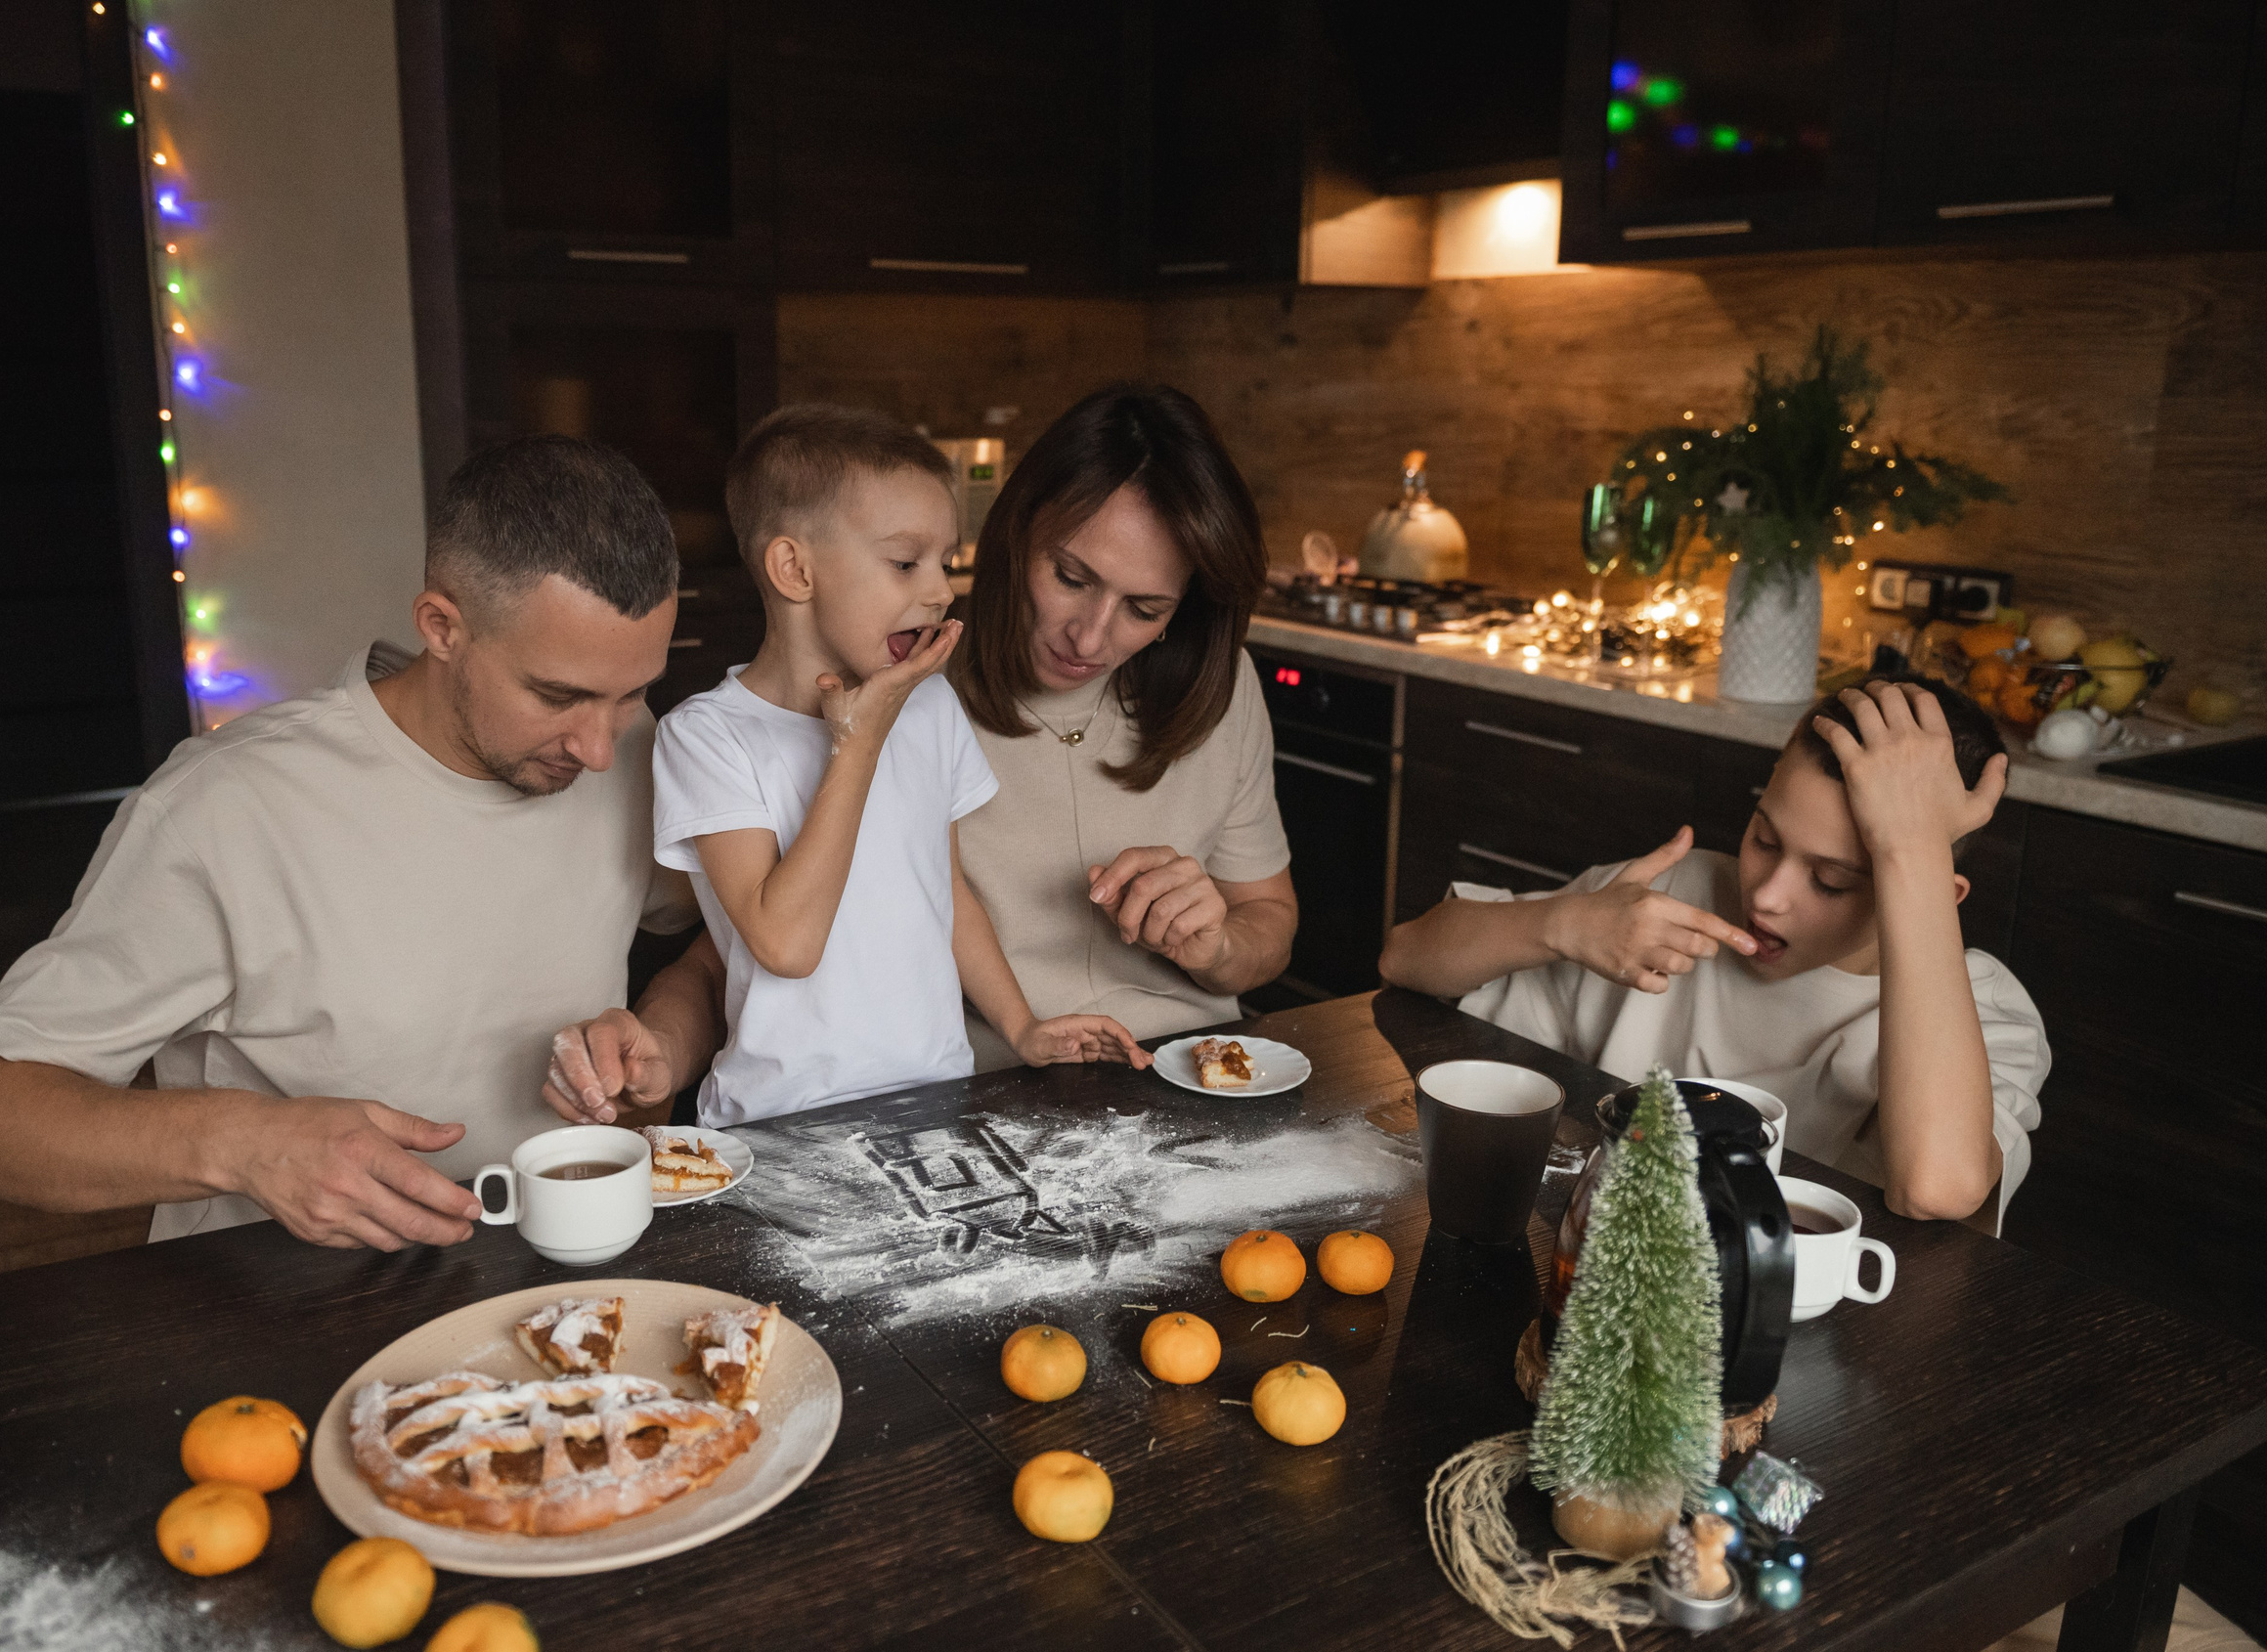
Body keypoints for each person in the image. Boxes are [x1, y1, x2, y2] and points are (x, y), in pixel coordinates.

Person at [0, 436, 725, 1251]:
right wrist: (248, 1143)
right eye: (559, 695)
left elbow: (718, 944)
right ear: (441, 626)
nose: (596, 748)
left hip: (556, 1266)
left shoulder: (627, 750)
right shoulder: (225, 808)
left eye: (632, 693)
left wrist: (661, 1038)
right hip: (291, 1301)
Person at [1379, 677, 2049, 1227]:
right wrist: (1560, 922)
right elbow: (1405, 957)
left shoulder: (1986, 1014)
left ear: (1933, 891)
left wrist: (1911, 851)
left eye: (1831, 880)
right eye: (1763, 837)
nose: (1770, 895)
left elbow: (1937, 1186)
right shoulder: (1675, 889)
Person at [647, 404, 1148, 1129]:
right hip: (781, 1122)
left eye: (944, 563)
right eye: (905, 562)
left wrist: (1022, 1027)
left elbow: (946, 895)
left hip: (936, 1102)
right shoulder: (704, 737)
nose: (941, 590)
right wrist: (857, 747)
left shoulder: (930, 708)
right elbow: (786, 943)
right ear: (794, 568)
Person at [950, 383, 1297, 1070]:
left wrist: (1219, 945)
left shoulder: (1222, 684)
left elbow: (1271, 921)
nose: (1089, 636)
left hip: (1190, 1069)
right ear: (1017, 531)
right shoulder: (914, 684)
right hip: (987, 1079)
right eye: (1071, 576)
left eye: (1143, 608)